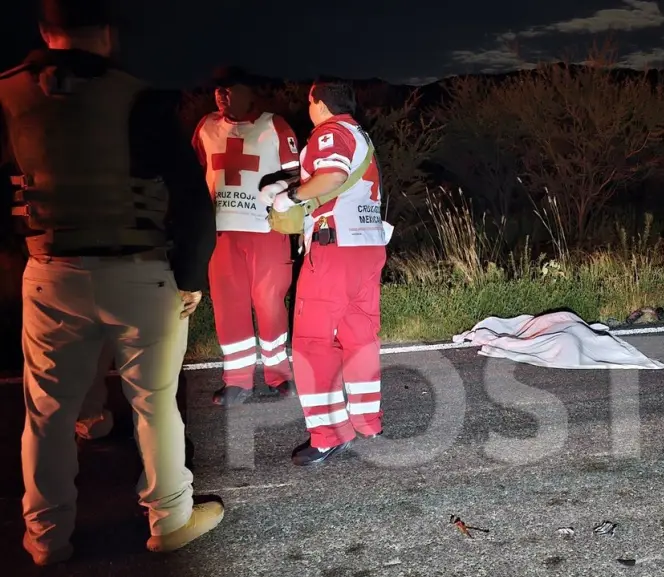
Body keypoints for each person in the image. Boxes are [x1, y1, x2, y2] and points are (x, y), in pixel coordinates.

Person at [0, 0, 224, 565]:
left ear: (46, 29)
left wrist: (23, 253)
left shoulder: (7, 95)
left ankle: (46, 537)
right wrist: (189, 278)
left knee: (47, 414)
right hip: (139, 273)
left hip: (49, 271)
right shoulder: (138, 97)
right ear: (106, 32)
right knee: (155, 403)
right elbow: (193, 202)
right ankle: (170, 518)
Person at [262, 78, 392, 466]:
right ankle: (368, 421)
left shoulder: (328, 132)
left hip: (334, 250)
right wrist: (290, 184)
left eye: (309, 101)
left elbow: (332, 177)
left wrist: (290, 197)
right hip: (367, 249)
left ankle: (329, 435)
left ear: (318, 103)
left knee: (312, 342)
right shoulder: (359, 135)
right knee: (360, 338)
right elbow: (341, 179)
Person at [192, 66, 300, 406]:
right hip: (222, 234)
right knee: (228, 307)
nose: (222, 95)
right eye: (217, 89)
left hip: (266, 231)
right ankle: (237, 380)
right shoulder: (206, 127)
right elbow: (193, 174)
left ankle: (278, 373)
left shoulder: (275, 125)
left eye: (230, 88)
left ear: (250, 91)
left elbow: (299, 174)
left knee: (269, 304)